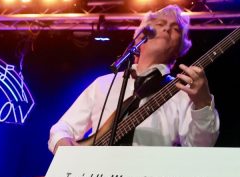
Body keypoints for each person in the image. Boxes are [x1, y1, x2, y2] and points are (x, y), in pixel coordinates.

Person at [48, 5, 219, 153]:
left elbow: (200, 147)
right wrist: (63, 144)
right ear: (140, 37)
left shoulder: (183, 92)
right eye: (160, 24)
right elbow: (63, 128)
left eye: (175, 29)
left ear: (180, 48)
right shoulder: (105, 83)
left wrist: (203, 103)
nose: (167, 28)